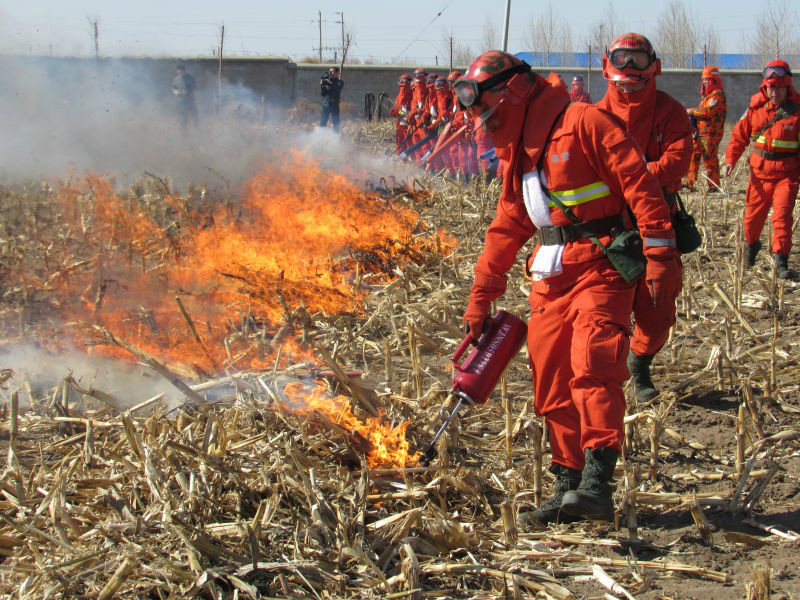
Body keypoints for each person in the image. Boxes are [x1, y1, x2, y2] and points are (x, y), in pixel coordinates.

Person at [455, 51, 680, 524]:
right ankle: (566, 485)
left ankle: (598, 482)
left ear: (513, 91)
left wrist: (659, 256)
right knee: (551, 373)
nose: (485, 123)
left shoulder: (585, 123)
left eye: (487, 111)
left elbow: (642, 187)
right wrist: (481, 297)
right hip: (551, 274)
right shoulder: (520, 151)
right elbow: (508, 225)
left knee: (592, 364)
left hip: (601, 267)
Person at [595, 33, 692, 402]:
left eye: (638, 60)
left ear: (655, 67)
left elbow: (678, 160)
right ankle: (604, 384)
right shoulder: (594, 116)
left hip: (657, 224)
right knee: (603, 313)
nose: (630, 69)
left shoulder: (670, 111)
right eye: (623, 60)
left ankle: (641, 361)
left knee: (658, 310)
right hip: (608, 228)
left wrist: (633, 175)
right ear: (608, 65)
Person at [723, 60, 800, 279]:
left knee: (782, 216)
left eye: (778, 87)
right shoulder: (755, 110)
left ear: (787, 86)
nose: (774, 92)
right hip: (759, 175)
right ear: (764, 87)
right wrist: (730, 160)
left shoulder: (797, 113)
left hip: (786, 175)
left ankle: (781, 261)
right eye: (770, 87)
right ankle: (752, 247)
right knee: (752, 219)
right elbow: (739, 137)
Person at [685, 66, 727, 192]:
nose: (704, 82)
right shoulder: (707, 97)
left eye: (708, 80)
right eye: (703, 79)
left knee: (709, 159)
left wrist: (692, 111)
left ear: (714, 81)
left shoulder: (717, 95)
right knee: (693, 155)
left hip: (711, 134)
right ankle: (689, 183)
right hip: (700, 133)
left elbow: (708, 111)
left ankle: (713, 186)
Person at [391, 74, 412, 154]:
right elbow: (397, 107)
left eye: (405, 82)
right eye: (402, 82)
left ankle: (410, 159)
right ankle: (402, 158)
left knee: (408, 142)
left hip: (409, 122)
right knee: (400, 140)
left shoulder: (413, 93)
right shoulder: (399, 95)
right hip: (401, 122)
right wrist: (394, 112)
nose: (403, 85)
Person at [172, 64, 198, 131]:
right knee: (183, 119)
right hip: (181, 102)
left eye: (181, 71)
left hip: (190, 101)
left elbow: (193, 87)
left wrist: (185, 91)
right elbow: (173, 88)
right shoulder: (176, 79)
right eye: (178, 71)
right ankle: (184, 135)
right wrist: (175, 92)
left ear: (185, 71)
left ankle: (198, 131)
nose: (179, 72)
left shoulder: (190, 78)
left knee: (195, 117)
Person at [320, 66, 344, 132]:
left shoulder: (339, 82)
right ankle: (320, 137)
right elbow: (323, 94)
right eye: (330, 71)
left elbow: (337, 88)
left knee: (335, 122)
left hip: (334, 105)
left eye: (332, 71)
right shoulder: (326, 82)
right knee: (323, 122)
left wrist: (329, 82)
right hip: (326, 105)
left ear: (337, 73)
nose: (331, 73)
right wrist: (322, 85)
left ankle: (335, 137)